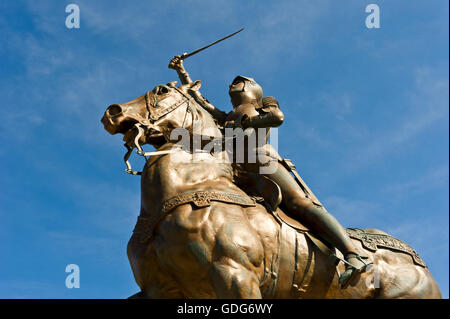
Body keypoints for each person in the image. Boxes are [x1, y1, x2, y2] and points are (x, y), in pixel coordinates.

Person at [168, 56, 371, 288]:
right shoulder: (231, 115)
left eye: (238, 82)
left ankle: (354, 254)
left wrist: (248, 124)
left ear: (251, 87)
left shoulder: (262, 103)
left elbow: (277, 118)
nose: (231, 85)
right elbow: (203, 103)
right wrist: (181, 71)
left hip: (263, 161)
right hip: (240, 170)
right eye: (231, 84)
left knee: (298, 203)